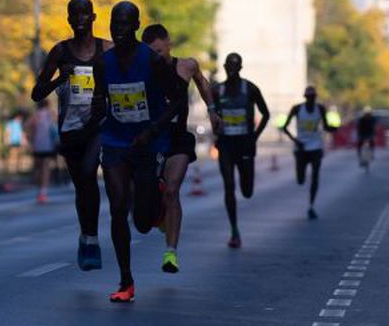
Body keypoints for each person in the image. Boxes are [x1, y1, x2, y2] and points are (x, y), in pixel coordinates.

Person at [97, 1, 187, 304]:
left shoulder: (152, 60)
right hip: (115, 141)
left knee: (143, 222)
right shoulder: (103, 62)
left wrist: (152, 130)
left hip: (149, 143)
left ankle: (156, 206)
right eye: (114, 23)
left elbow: (176, 99)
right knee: (118, 207)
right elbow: (100, 101)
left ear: (136, 27)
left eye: (125, 24)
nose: (118, 30)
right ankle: (126, 280)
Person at [31, 0, 109, 269]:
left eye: (85, 14)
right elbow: (36, 93)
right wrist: (58, 80)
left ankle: (93, 238)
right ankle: (86, 236)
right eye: (74, 14)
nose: (80, 19)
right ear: (68, 19)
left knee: (89, 173)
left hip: (98, 125)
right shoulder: (60, 52)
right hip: (71, 128)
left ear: (93, 17)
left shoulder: (106, 49)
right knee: (82, 186)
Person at [140, 23, 220, 272]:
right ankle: (161, 212)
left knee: (172, 189)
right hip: (150, 138)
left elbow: (202, 82)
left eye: (160, 52)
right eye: (151, 53)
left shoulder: (186, 65)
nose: (157, 58)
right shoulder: (142, 69)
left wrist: (212, 111)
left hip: (176, 139)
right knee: (148, 199)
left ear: (169, 44)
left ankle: (170, 252)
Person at [212, 53, 270, 248]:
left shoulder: (251, 89)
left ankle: (247, 184)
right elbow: (211, 112)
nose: (232, 69)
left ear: (241, 68)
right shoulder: (217, 90)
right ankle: (234, 231)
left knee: (247, 191)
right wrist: (215, 125)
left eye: (235, 66)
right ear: (224, 67)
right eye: (229, 66)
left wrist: (255, 136)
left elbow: (266, 114)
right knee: (229, 186)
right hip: (226, 144)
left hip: (245, 144)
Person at [281, 85, 338, 220]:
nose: (311, 99)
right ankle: (301, 177)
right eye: (309, 97)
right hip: (300, 147)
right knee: (300, 179)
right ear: (305, 97)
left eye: (313, 97)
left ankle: (311, 206)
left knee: (315, 176)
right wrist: (295, 140)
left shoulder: (320, 109)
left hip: (316, 147)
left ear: (315, 97)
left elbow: (325, 126)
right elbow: (284, 127)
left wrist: (334, 129)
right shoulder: (297, 109)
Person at [25, 98, 59, 205]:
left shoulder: (35, 115)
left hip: (37, 145)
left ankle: (39, 189)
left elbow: (26, 126)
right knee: (45, 167)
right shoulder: (51, 114)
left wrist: (30, 139)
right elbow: (59, 124)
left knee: (38, 167)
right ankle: (43, 192)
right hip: (48, 145)